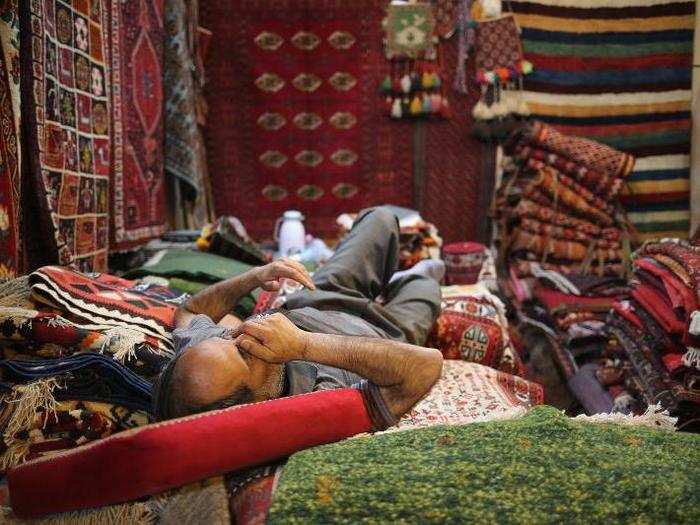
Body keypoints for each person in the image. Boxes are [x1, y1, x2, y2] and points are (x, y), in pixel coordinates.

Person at [153, 207, 444, 430]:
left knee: (380, 218)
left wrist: (254, 277)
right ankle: (408, 278)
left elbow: (190, 311)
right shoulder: (312, 404)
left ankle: (389, 275)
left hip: (321, 297)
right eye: (243, 353)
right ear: (260, 401)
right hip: (384, 331)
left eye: (226, 337)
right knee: (428, 285)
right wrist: (302, 346)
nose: (241, 332)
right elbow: (426, 365)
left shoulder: (203, 357)